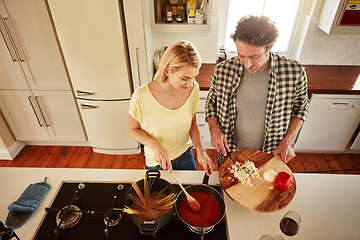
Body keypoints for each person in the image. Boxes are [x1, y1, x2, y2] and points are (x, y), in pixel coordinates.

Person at [205, 15, 309, 164]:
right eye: (241, 55)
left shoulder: (294, 72)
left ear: (270, 46)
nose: (247, 64)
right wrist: (214, 130)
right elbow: (211, 102)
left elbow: (301, 108)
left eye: (254, 56)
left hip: (272, 153)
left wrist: (288, 141)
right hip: (231, 152)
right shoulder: (222, 70)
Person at [128, 40, 215, 175]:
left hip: (186, 157)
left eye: (194, 77)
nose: (191, 84)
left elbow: (192, 124)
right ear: (167, 70)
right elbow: (132, 129)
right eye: (185, 78)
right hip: (157, 163)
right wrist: (154, 145)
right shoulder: (141, 97)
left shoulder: (193, 90)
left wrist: (201, 149)